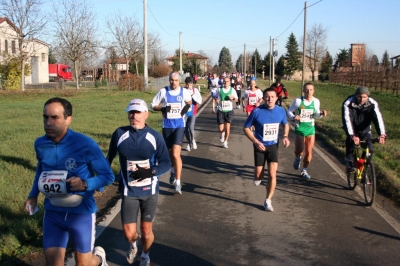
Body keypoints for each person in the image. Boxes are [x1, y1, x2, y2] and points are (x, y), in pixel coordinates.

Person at [24, 97, 114, 266]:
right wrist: (33, 195)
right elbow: (41, 169)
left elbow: (108, 176)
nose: (48, 122)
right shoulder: (40, 144)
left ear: (68, 119)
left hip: (81, 213)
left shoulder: (85, 144)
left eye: (54, 117)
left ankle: (99, 259)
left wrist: (85, 184)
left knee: (83, 264)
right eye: (45, 117)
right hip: (53, 212)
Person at [107, 99, 171, 266]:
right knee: (129, 234)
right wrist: (102, 177)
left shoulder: (155, 137)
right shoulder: (120, 134)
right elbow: (109, 158)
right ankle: (134, 245)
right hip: (129, 192)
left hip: (150, 192)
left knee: (146, 230)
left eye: (137, 112)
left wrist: (150, 171)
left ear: (146, 114)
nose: (133, 116)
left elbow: (166, 162)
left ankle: (145, 255)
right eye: (131, 112)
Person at [243, 88, 290, 212]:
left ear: (276, 98)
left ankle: (268, 200)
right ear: (263, 98)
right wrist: (255, 141)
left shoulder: (281, 111)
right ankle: (257, 177)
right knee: (259, 175)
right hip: (259, 146)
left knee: (272, 174)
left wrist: (285, 136)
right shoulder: (256, 111)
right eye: (267, 96)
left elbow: (286, 124)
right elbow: (246, 128)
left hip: (273, 146)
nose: (270, 99)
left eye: (272, 96)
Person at [151, 71, 192, 194]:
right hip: (167, 126)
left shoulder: (184, 92)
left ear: (179, 81)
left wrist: (184, 110)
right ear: (169, 80)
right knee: (170, 154)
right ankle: (173, 172)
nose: (173, 82)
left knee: (175, 153)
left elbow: (189, 102)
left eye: (176, 80)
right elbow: (153, 105)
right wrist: (162, 109)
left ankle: (178, 183)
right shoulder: (163, 91)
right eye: (171, 80)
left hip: (179, 125)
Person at [287, 83, 328, 179]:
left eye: (311, 90)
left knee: (309, 151)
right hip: (300, 128)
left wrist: (321, 113)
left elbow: (316, 115)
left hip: (310, 128)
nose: (308, 92)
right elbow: (288, 111)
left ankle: (304, 170)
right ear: (303, 90)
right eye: (307, 90)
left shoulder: (316, 101)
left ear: (314, 91)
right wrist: (293, 117)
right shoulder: (298, 101)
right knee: (299, 150)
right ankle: (297, 158)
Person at [341, 86, 386, 172]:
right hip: (351, 128)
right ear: (356, 96)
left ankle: (361, 168)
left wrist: (382, 135)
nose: (362, 99)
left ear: (368, 96)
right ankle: (349, 164)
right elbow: (347, 120)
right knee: (351, 144)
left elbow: (378, 119)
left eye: (364, 97)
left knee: (369, 150)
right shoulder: (348, 103)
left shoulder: (372, 104)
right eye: (359, 97)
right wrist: (352, 136)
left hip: (365, 129)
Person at [214, 76, 238, 148]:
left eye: (227, 81)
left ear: (230, 82)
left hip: (229, 111)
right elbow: (215, 97)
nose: (226, 83)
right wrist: (217, 100)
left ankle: (225, 141)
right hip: (221, 110)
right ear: (223, 82)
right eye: (224, 81)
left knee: (227, 127)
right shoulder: (219, 89)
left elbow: (236, 100)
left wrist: (233, 98)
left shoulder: (232, 90)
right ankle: (222, 133)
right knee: (221, 129)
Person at [184, 76, 203, 151]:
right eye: (187, 85)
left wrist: (193, 95)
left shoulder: (195, 90)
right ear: (185, 84)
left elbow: (200, 101)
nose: (189, 86)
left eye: (190, 85)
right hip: (184, 112)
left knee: (191, 128)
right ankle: (189, 143)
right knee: (185, 130)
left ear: (193, 84)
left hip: (192, 112)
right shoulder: (183, 90)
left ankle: (193, 140)